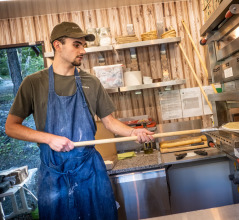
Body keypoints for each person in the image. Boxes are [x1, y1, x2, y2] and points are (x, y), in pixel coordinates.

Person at [5, 21, 154, 220]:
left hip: (90, 173)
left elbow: (109, 122)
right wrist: (49, 138)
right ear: (57, 45)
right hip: (53, 176)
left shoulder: (91, 82)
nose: (83, 50)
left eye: (84, 45)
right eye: (77, 44)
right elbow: (11, 127)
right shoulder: (34, 83)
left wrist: (133, 132)